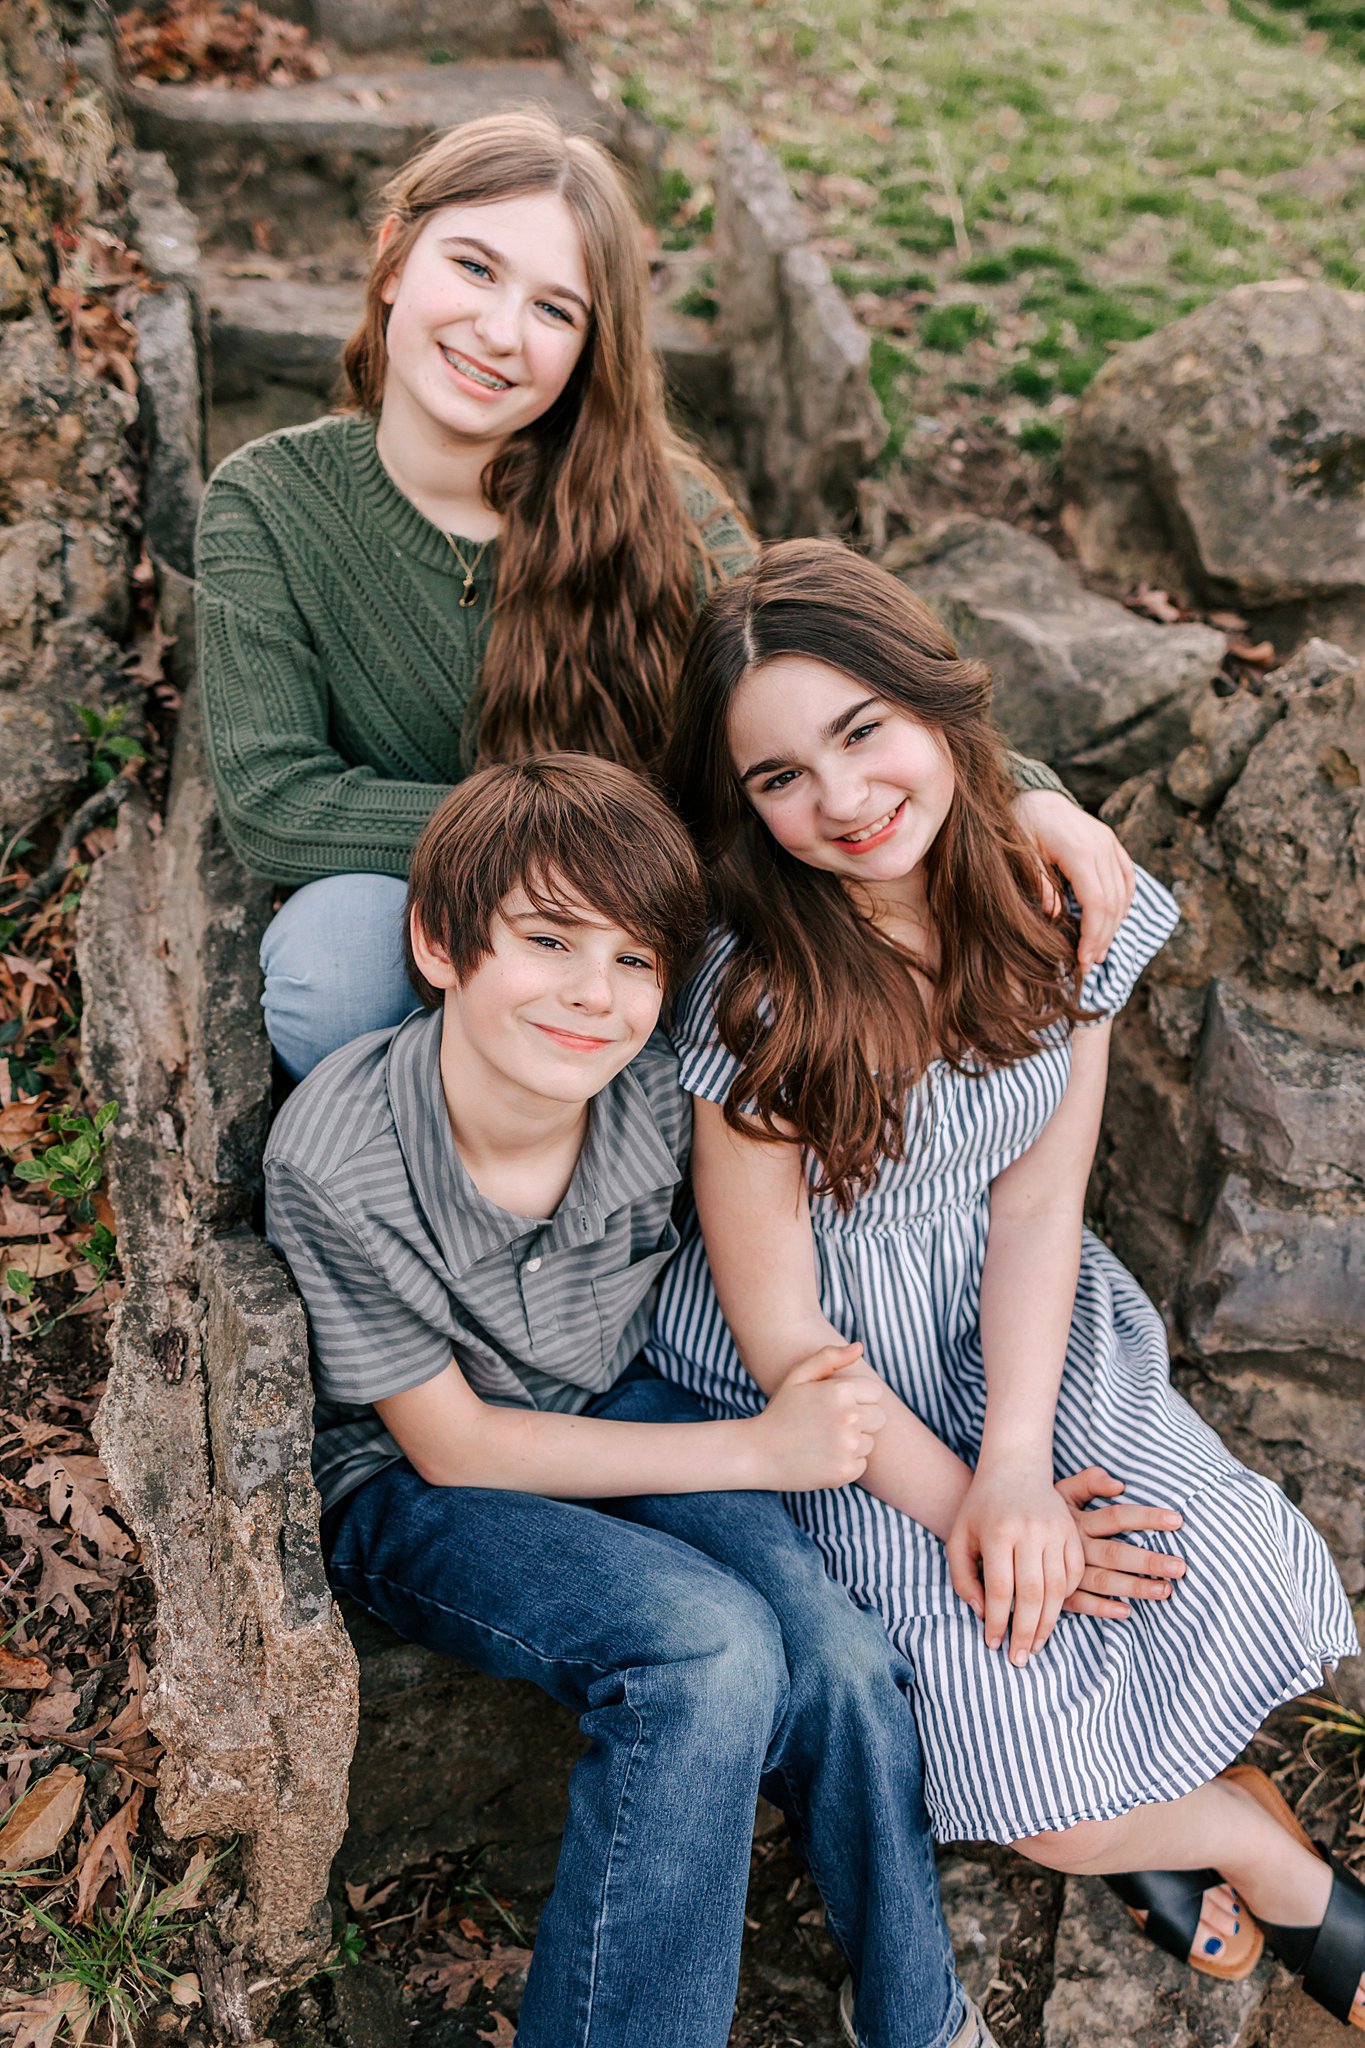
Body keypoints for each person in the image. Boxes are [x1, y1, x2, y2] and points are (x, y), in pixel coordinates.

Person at [649, 538, 1365, 2033]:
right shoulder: (760, 992)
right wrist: (969, 1500)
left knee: (1179, 1556)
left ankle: (1163, 1776)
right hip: (830, 1386)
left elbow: (1040, 1194)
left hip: (1011, 1314)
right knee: (1017, 1739)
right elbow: (783, 1329)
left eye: (860, 733)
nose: (839, 801)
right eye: (779, 777)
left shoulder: (1054, 903)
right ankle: (1254, 1853)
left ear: (938, 707)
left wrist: (1024, 1457)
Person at [266, 752, 989, 2048]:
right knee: (705, 1650)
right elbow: (454, 1442)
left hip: (629, 1394)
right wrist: (765, 1451)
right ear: (439, 943)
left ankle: (918, 2017)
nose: (593, 997)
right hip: (413, 1480)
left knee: (834, 1655)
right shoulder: (341, 1151)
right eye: (548, 942)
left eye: (635, 963)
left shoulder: (657, 1095)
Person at [196, 108, 1133, 1082]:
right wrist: (545, 856)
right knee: (329, 963)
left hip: (644, 923)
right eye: (474, 268)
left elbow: (804, 673)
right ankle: (428, 1174)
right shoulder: (268, 502)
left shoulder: (656, 504)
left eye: (556, 310)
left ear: (591, 346)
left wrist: (1019, 789)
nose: (499, 331)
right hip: (439, 917)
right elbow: (277, 801)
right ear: (393, 258)